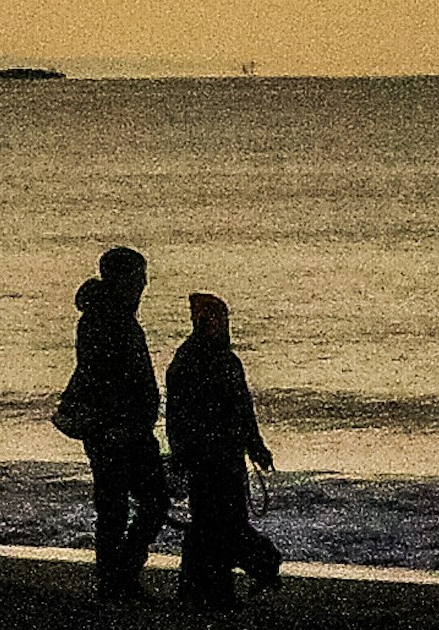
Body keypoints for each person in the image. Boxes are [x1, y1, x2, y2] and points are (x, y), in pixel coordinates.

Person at [62, 246, 167, 600]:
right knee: (133, 505)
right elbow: (103, 378)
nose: (143, 284)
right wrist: (120, 424)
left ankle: (116, 576)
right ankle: (117, 576)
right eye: (137, 276)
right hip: (117, 431)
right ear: (120, 279)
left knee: (126, 505)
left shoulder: (113, 316)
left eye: (142, 276)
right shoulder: (105, 321)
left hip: (123, 428)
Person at [165, 291, 280, 609]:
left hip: (221, 456)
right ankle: (252, 572)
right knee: (216, 526)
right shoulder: (197, 359)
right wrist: (182, 450)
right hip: (211, 457)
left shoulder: (204, 359)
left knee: (212, 527)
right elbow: (181, 412)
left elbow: (242, 408)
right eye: (209, 318)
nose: (214, 324)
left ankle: (206, 591)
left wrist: (255, 446)